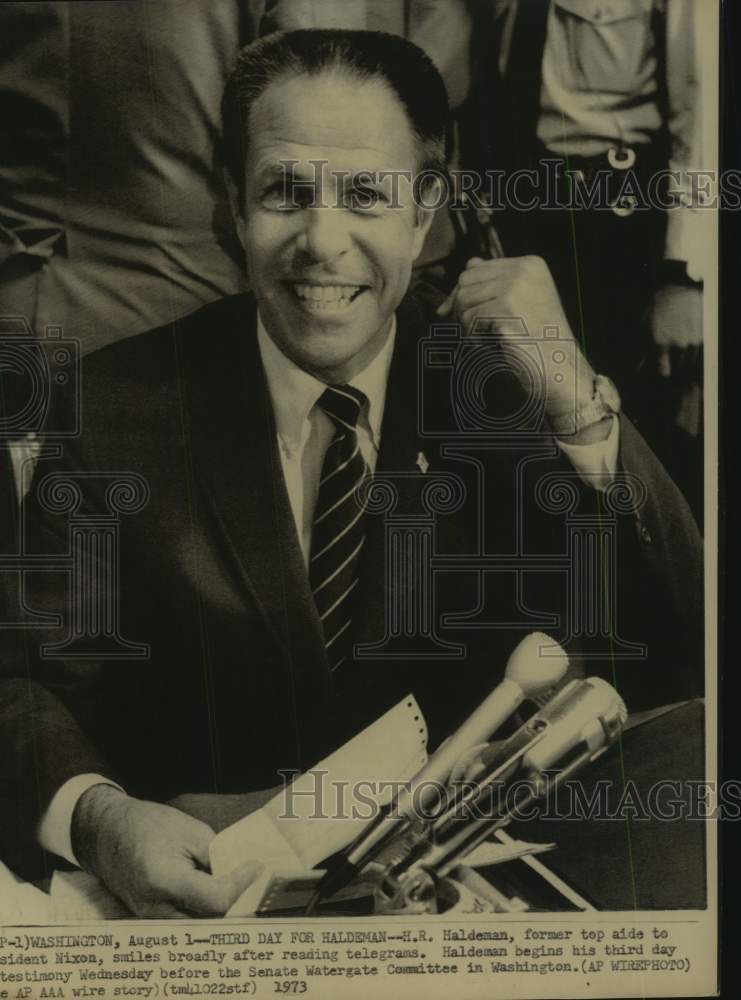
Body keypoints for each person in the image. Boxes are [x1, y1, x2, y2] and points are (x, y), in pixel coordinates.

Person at [0, 29, 701, 918]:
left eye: (366, 194)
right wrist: (99, 820)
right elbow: (16, 681)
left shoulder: (511, 401)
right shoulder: (110, 409)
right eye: (284, 192)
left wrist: (579, 407)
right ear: (229, 207)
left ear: (425, 211)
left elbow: (683, 654)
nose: (320, 242)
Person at [459, 0, 706, 515]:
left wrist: (682, 274)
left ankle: (636, 568)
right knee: (530, 418)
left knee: (620, 427)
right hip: (523, 207)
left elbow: (700, 118)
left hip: (620, 222)